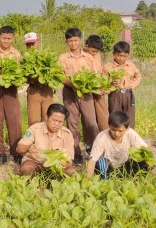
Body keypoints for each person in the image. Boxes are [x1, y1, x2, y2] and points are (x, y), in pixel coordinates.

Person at [58, 28, 99, 165]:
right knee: (72, 123)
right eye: (70, 41)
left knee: (91, 122)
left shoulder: (88, 57)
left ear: (80, 40)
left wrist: (87, 85)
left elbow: (95, 75)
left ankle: (93, 150)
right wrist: (70, 83)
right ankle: (75, 152)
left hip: (86, 93)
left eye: (75, 40)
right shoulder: (63, 58)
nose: (73, 43)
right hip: (69, 92)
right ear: (66, 42)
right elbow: (60, 75)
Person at [0, 26, 23, 166]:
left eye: (9, 38)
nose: (6, 41)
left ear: (13, 39)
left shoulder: (17, 54)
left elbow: (19, 73)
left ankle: (16, 152)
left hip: (11, 89)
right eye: (4, 38)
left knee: (14, 120)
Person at [16, 103, 75, 177]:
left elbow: (69, 157)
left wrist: (67, 163)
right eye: (54, 120)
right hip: (36, 163)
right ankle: (34, 183)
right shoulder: (35, 129)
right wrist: (28, 148)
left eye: (60, 122)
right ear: (47, 117)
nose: (56, 124)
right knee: (27, 168)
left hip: (56, 166)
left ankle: (54, 182)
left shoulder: (67, 134)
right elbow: (19, 148)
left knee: (71, 173)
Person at [86, 111, 149, 179]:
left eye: (120, 131)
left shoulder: (130, 133)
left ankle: (133, 180)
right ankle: (107, 180)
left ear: (127, 128)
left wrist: (148, 163)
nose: (116, 133)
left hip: (124, 166)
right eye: (113, 129)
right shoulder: (101, 137)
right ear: (109, 125)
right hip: (108, 168)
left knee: (142, 161)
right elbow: (92, 160)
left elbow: (144, 149)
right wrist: (88, 181)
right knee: (101, 162)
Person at [103, 41, 141, 128]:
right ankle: (115, 138)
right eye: (119, 55)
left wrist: (131, 85)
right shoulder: (108, 67)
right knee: (115, 117)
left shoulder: (131, 66)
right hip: (115, 95)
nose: (121, 58)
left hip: (128, 94)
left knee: (130, 117)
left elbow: (138, 76)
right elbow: (103, 82)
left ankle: (129, 138)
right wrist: (110, 84)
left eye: (124, 56)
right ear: (114, 54)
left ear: (128, 55)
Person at [83, 35, 109, 146]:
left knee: (103, 117)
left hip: (99, 90)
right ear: (86, 46)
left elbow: (100, 71)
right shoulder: (82, 55)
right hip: (87, 90)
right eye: (93, 51)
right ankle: (90, 144)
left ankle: (106, 142)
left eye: (96, 51)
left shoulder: (97, 55)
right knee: (89, 119)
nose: (94, 53)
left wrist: (104, 86)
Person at [23, 32, 54, 126]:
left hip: (47, 90)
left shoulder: (46, 55)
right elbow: (23, 78)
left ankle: (48, 140)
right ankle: (34, 141)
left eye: (33, 43)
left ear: (38, 41)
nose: (31, 47)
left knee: (48, 119)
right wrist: (31, 78)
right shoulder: (24, 59)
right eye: (28, 45)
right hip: (33, 90)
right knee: (33, 121)